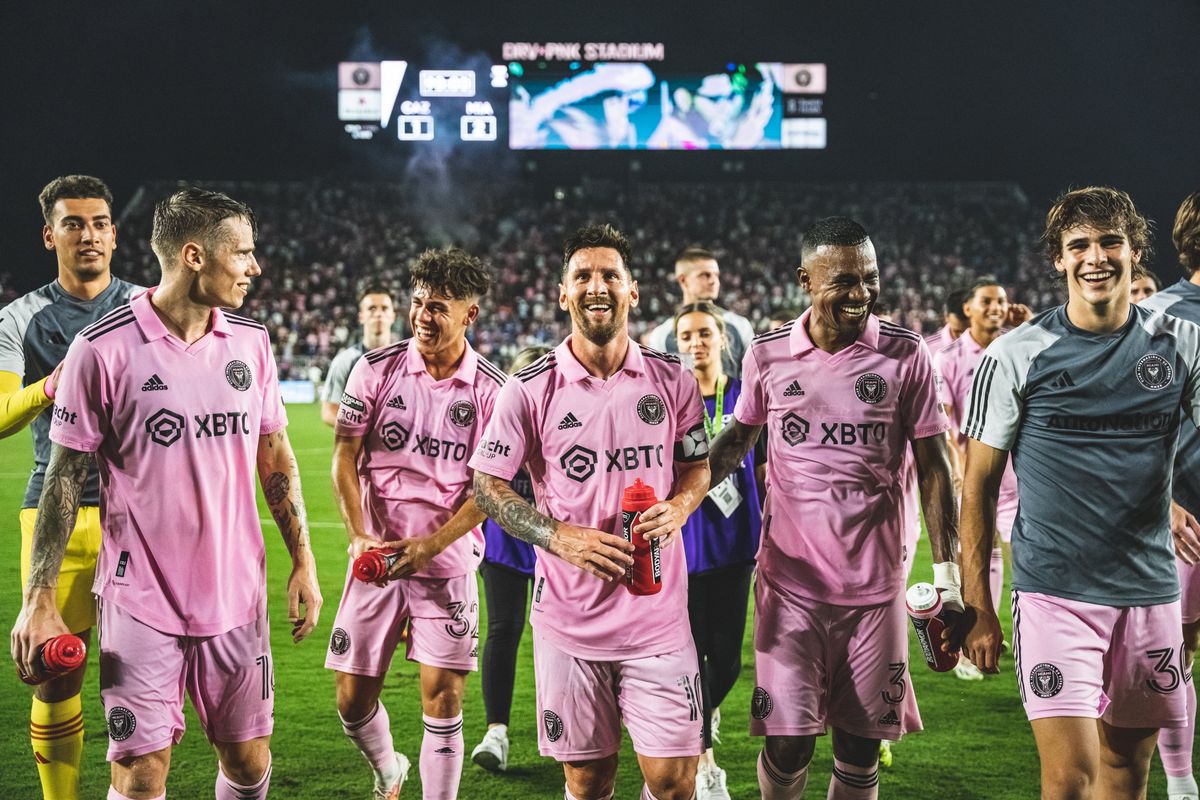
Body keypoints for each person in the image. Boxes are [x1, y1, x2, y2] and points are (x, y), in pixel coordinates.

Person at [10, 187, 323, 800]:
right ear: (195, 256)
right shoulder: (100, 350)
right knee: (141, 771)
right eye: (244, 254)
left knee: (248, 762)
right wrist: (39, 596)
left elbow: (275, 457)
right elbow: (64, 478)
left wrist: (304, 561)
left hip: (236, 593)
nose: (255, 268)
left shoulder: (252, 343)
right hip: (139, 599)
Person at [707, 216, 964, 799]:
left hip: (877, 589)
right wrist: (679, 496)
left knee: (859, 742)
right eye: (843, 281)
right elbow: (739, 439)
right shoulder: (769, 355)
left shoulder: (905, 354)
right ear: (805, 279)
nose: (860, 294)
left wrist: (947, 580)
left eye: (869, 279)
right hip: (790, 584)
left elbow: (935, 465)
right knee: (788, 740)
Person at [960, 186, 1200, 800]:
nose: (1096, 257)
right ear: (1059, 260)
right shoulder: (1017, 354)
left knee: (1126, 772)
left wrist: (1173, 503)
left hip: (1148, 589)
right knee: (1068, 780)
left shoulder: (1184, 345)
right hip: (1054, 593)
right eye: (1079, 246)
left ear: (1135, 250)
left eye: (1110, 242)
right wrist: (978, 606)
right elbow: (978, 487)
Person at [470, 223, 711, 800]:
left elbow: (697, 466)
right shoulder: (529, 387)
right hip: (570, 627)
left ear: (633, 292)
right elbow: (486, 483)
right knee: (587, 779)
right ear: (562, 293)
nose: (596, 286)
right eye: (582, 276)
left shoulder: (673, 379)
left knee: (674, 781)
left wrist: (679, 506)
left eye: (610, 275)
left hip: (660, 622)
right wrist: (558, 537)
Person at [326, 247, 504, 800]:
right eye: (419, 302)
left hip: (445, 563)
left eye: (439, 307)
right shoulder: (374, 369)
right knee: (351, 701)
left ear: (470, 315)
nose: (423, 317)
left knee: (443, 698)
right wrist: (358, 532)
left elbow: (490, 492)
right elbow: (343, 456)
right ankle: (388, 769)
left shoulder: (492, 390)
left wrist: (431, 545)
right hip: (376, 561)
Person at [0, 175, 141, 799]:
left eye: (99, 223)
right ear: (49, 234)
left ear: (115, 233)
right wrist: (49, 386)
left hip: (140, 516)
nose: (88, 234)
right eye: (73, 223)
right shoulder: (20, 317)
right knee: (56, 672)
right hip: (56, 512)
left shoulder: (150, 304)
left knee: (141, 674)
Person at [674, 301, 762, 800]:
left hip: (733, 545)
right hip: (685, 544)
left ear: (722, 338)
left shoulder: (747, 397)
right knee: (691, 654)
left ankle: (696, 720)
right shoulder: (669, 401)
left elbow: (767, 470)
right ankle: (705, 763)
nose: (696, 342)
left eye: (705, 333)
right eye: (687, 335)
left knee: (726, 659)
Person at [1139, 190, 1200, 800]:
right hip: (1182, 518)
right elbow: (1122, 424)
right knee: (1174, 652)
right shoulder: (1154, 318)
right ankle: (1181, 783)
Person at [933, 277, 1022, 682]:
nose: (996, 308)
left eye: (1001, 301)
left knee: (1022, 556)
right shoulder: (949, 357)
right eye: (987, 301)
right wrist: (957, 465)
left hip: (1019, 477)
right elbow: (944, 421)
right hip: (974, 476)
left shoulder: (1016, 348)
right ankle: (971, 643)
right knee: (979, 559)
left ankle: (1024, 635)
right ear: (967, 308)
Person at [470, 345, 550, 774]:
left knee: (556, 637)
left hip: (556, 543)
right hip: (504, 538)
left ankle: (562, 727)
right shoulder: (495, 420)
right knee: (503, 629)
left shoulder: (564, 416)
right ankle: (496, 732)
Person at [643, 247, 756, 378]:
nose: (714, 281)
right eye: (705, 275)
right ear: (683, 280)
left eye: (716, 275)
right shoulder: (661, 335)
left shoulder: (740, 326)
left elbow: (753, 378)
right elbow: (659, 385)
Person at [320, 286, 399, 426]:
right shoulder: (344, 361)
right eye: (372, 308)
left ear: (393, 316)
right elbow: (329, 411)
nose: (379, 313)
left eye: (385, 308)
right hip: (359, 447)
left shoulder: (407, 360)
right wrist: (361, 431)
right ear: (361, 316)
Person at [924, 286, 969, 353]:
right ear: (946, 317)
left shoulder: (986, 346)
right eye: (957, 332)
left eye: (968, 331)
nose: (962, 337)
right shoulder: (927, 348)